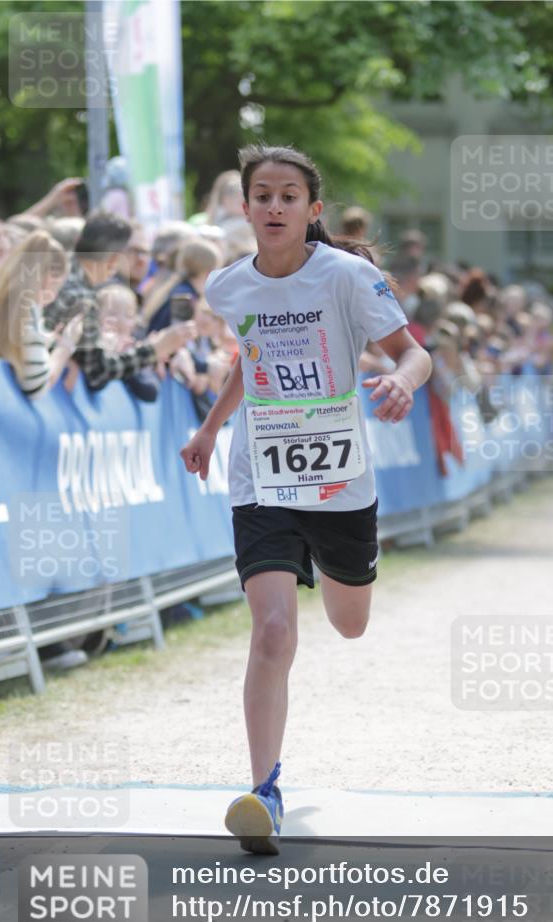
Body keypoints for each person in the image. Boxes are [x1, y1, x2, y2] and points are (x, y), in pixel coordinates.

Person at [180, 144, 432, 855]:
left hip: (339, 477)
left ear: (312, 210)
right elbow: (245, 358)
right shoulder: (228, 287)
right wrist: (209, 428)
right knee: (273, 633)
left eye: (289, 196)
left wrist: (403, 382)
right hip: (261, 474)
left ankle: (335, 569)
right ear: (246, 207)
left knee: (349, 624)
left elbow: (413, 350)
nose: (275, 207)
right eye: (262, 195)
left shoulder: (350, 277)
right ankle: (264, 792)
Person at [43, 212, 192, 390]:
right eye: (132, 252)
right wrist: (155, 349)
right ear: (115, 259)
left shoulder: (51, 269)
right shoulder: (81, 298)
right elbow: (98, 371)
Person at [0, 230, 83, 399]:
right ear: (49, 278)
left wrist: (44, 340)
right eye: (57, 287)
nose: (54, 296)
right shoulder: (27, 309)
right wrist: (65, 346)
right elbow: (36, 387)